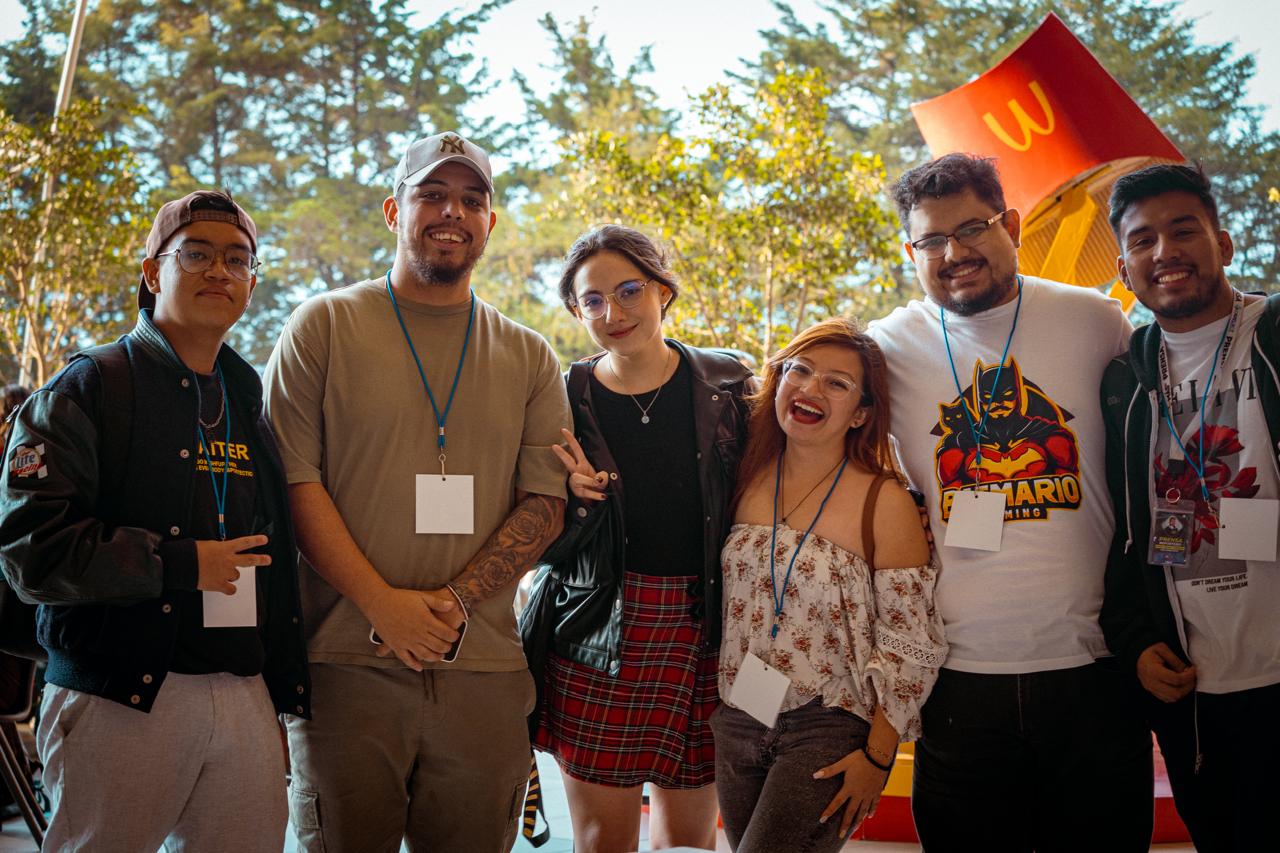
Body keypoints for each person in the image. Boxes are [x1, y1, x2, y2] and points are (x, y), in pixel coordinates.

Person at [264, 130, 571, 852]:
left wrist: (453, 603)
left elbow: (544, 504)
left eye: (471, 199)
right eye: (431, 194)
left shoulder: (529, 354)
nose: (451, 212)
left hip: (483, 668)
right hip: (344, 664)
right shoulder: (323, 326)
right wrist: (382, 604)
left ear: (489, 221)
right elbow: (293, 481)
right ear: (392, 210)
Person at [0, 190, 310, 851]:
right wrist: (180, 564)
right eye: (196, 254)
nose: (219, 271)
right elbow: (32, 549)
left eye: (238, 259)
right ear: (151, 272)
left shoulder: (247, 399)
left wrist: (279, 693)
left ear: (252, 282)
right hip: (120, 693)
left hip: (242, 689)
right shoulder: (88, 387)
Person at [867, 153, 1152, 851]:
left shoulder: (1095, 321)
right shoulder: (885, 348)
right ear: (911, 252)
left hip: (1094, 668)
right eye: (932, 240)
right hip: (959, 679)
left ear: (1012, 226)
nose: (954, 253)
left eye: (972, 228)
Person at [521, 225, 753, 852]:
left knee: (689, 840)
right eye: (593, 300)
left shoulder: (729, 383)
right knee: (603, 839)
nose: (613, 313)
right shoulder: (561, 397)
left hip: (705, 631)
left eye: (629, 291)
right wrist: (573, 504)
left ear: (662, 291)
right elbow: (536, 545)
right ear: (577, 312)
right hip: (596, 632)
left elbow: (774, 495)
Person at [711, 317, 946, 851]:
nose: (810, 388)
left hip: (829, 723)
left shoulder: (885, 501)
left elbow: (913, 643)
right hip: (740, 715)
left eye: (837, 383)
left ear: (861, 413)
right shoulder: (742, 476)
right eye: (800, 370)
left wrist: (878, 758)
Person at [1101, 163, 1280, 851]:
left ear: (1223, 244)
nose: (1164, 252)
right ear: (1124, 269)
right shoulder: (1123, 377)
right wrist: (1134, 641)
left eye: (1184, 231)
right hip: (1195, 696)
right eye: (1143, 241)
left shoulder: (1273, 331)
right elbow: (1119, 529)